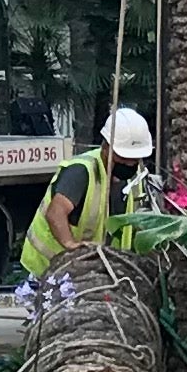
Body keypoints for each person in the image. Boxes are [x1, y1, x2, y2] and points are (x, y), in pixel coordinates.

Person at [22, 106, 158, 279]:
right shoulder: (81, 171)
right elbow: (55, 213)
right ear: (106, 148)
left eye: (134, 159)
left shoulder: (136, 179)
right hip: (49, 267)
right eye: (123, 158)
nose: (130, 164)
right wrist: (70, 245)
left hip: (95, 270)